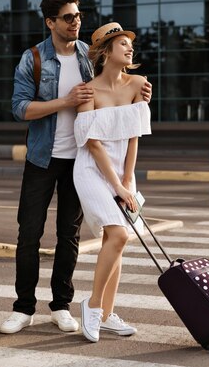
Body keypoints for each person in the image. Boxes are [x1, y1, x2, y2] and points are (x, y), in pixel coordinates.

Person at [5, 0, 151, 334]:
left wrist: (141, 95)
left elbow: (118, 87)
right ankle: (23, 308)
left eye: (78, 16)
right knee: (29, 233)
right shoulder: (34, 59)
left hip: (81, 160)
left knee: (68, 236)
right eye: (68, 17)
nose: (76, 22)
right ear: (51, 22)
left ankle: (61, 306)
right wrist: (65, 101)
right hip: (43, 157)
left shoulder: (90, 55)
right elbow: (20, 108)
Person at [73, 22, 151, 343]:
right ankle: (92, 306)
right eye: (122, 43)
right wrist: (116, 186)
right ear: (106, 52)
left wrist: (127, 180)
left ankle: (106, 314)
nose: (129, 48)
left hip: (123, 171)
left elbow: (133, 137)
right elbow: (93, 144)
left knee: (117, 241)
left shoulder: (138, 84)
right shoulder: (88, 91)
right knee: (117, 235)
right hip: (92, 169)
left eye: (130, 44)